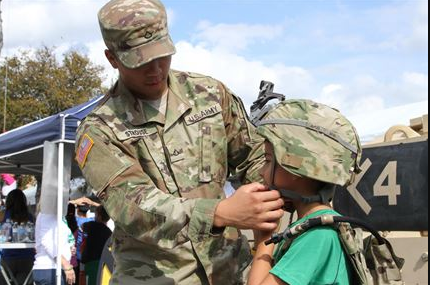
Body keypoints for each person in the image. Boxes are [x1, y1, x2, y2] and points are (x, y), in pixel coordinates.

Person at [75, 0, 284, 283]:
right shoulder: (99, 129)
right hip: (156, 276)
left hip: (229, 271)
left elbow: (255, 156)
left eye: (162, 55)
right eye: (141, 61)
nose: (156, 69)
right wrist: (218, 213)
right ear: (112, 58)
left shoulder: (209, 94)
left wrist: (267, 203)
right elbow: (134, 208)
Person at [247, 99, 362, 285]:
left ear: (295, 168)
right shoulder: (310, 229)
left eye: (268, 161)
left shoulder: (318, 236)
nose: (261, 171)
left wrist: (264, 239)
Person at [0, 189, 35, 285]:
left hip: (8, 258)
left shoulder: (2, 214)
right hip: (28, 258)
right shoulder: (30, 216)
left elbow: (2, 237)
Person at [32, 213, 76, 285]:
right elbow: (47, 242)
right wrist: (66, 264)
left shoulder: (59, 215)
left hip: (54, 269)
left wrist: (69, 248)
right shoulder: (47, 214)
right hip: (50, 268)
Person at [81, 206, 112, 285]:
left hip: (92, 263)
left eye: (95, 214)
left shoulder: (92, 225)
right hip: (103, 263)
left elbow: (82, 226)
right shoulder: (109, 232)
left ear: (99, 216)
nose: (94, 216)